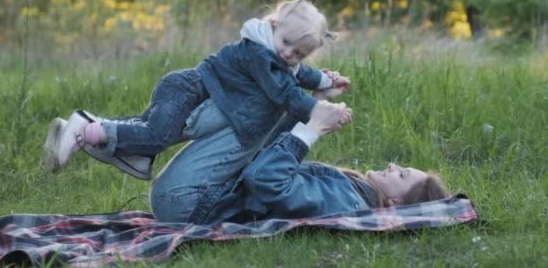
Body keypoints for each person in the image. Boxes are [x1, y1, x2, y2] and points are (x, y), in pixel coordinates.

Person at [43, 0, 350, 180]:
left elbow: (297, 74)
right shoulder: (259, 53)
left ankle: (129, 152)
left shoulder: (279, 57)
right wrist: (318, 109)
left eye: (298, 53)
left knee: (149, 137)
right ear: (274, 26)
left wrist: (324, 79)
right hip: (188, 87)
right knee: (156, 134)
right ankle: (88, 127)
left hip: (192, 92)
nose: (288, 54)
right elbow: (284, 91)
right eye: (286, 44)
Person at [149, 90, 452, 224]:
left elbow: (264, 179)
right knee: (266, 100)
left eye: (401, 175)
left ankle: (136, 136)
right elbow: (268, 154)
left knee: (259, 104)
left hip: (190, 203)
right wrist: (314, 104)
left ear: (396, 204)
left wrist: (312, 130)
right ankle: (139, 136)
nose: (393, 165)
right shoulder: (351, 190)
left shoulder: (345, 201)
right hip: (197, 197)